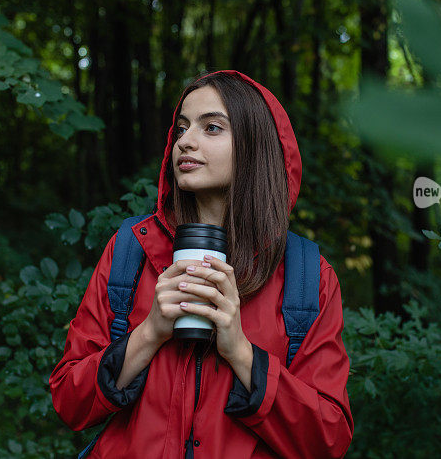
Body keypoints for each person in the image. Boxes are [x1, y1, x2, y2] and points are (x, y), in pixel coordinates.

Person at [50, 70, 354, 458]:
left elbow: (328, 439)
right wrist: (150, 333)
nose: (185, 142)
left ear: (254, 147)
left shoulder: (306, 277)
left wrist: (241, 352)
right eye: (181, 128)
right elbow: (68, 400)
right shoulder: (131, 250)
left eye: (211, 128)